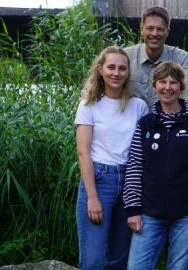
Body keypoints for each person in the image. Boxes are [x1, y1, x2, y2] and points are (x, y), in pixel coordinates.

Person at [123, 61, 188, 270]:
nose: (167, 87)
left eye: (173, 82)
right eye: (162, 82)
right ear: (154, 86)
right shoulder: (146, 123)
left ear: (181, 87)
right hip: (149, 212)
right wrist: (132, 208)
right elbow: (134, 167)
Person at [75, 46, 148, 269]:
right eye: (111, 67)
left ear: (128, 73)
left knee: (118, 259)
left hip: (130, 183)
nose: (116, 73)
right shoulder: (89, 105)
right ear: (100, 70)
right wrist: (92, 196)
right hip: (99, 179)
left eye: (122, 68)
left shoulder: (139, 106)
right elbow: (83, 153)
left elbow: (144, 152)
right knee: (92, 259)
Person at [124, 6, 188, 111]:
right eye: (150, 28)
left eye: (160, 29)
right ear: (141, 30)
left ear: (167, 31)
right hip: (133, 121)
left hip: (167, 121)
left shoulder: (180, 57)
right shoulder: (126, 56)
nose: (154, 34)